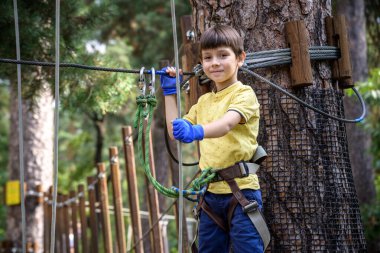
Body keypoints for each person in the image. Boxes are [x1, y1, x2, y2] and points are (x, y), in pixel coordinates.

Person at [160, 25, 264, 253]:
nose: (214, 63)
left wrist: (196, 131)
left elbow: (227, 124)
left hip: (242, 192)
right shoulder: (204, 102)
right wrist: (170, 94)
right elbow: (174, 131)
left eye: (223, 55)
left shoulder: (244, 94)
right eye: (208, 58)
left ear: (240, 58)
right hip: (210, 195)